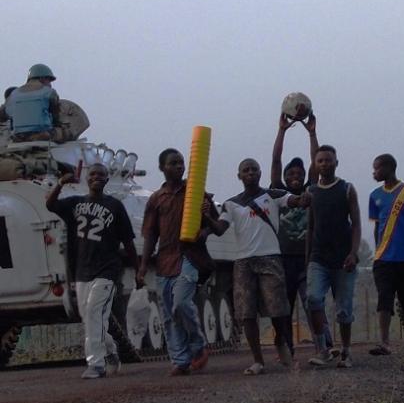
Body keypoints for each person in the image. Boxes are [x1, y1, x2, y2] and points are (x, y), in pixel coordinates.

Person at [205, 158, 308, 374]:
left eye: (254, 169)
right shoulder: (231, 204)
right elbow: (220, 229)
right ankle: (258, 360)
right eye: (246, 170)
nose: (250, 173)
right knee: (246, 312)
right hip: (243, 261)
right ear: (239, 176)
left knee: (278, 309)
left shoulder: (274, 195)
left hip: (270, 257)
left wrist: (304, 199)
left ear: (260, 173)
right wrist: (206, 216)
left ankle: (282, 344)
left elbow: (294, 201)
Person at [46, 163, 138, 379]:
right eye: (93, 174)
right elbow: (50, 205)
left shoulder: (115, 206)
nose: (97, 177)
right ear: (87, 178)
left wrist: (138, 270)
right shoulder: (75, 203)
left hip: (107, 270)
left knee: (94, 313)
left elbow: (128, 241)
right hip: (82, 270)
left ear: (107, 179)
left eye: (101, 174)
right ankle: (111, 351)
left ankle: (96, 364)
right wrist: (60, 183)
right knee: (89, 318)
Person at [135, 148, 216, 376]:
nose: (179, 166)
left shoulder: (195, 191)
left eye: (181, 162)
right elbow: (151, 234)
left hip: (190, 257)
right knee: (169, 315)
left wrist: (205, 230)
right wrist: (143, 267)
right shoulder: (156, 199)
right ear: (162, 168)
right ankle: (180, 360)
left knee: (181, 303)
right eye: (173, 163)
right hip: (164, 261)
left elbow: (216, 223)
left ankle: (198, 347)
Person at [269, 110, 334, 356]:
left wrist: (312, 133)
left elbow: (316, 162)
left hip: (308, 259)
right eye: (291, 174)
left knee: (312, 302)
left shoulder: (311, 190)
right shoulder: (278, 193)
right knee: (283, 307)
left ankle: (324, 345)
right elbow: (276, 161)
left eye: (299, 174)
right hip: (283, 260)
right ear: (285, 178)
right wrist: (282, 131)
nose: (295, 177)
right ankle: (286, 349)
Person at [306, 145, 361, 368]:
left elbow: (356, 224)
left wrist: (353, 253)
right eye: (320, 161)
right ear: (315, 164)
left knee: (343, 309)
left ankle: (346, 351)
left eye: (328, 160)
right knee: (313, 299)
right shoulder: (311, 192)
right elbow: (310, 227)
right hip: (318, 258)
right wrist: (308, 258)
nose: (324, 164)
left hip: (343, 259)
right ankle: (323, 350)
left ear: (336, 163)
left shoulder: (347, 189)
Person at [368, 154, 404, 355]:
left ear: (388, 168)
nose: (374, 172)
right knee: (384, 297)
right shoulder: (374, 195)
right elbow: (377, 226)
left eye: (377, 168)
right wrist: (377, 249)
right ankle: (384, 342)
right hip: (383, 258)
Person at [0, 64, 60, 141]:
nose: (50, 84)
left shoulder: (13, 94)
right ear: (42, 78)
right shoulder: (50, 92)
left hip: (18, 137)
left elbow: (2, 115)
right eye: (49, 80)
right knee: (65, 131)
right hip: (43, 134)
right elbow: (56, 115)